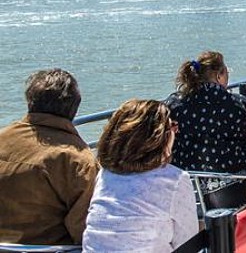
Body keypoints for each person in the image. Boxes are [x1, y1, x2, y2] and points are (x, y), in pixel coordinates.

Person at [82, 99, 198, 252]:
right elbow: (188, 242)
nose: (176, 132)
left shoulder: (106, 174)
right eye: (172, 127)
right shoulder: (175, 180)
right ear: (159, 138)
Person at [0, 69, 99, 246]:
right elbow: (85, 230)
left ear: (30, 101)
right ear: (74, 107)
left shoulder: (3, 139)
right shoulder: (78, 161)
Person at [165, 51, 246, 173]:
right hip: (237, 183)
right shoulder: (242, 105)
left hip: (188, 181)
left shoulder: (174, 104)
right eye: (227, 72)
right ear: (219, 76)